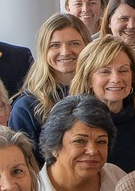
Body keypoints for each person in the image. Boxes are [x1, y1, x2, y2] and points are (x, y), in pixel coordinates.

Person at [71, 36, 135, 172]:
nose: (116, 79)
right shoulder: (72, 124)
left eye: (123, 70)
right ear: (87, 79)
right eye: (105, 71)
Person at [10, 12, 90, 142]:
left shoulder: (101, 93)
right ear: (43, 51)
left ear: (88, 47)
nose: (65, 52)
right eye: (55, 45)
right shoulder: (27, 107)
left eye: (74, 43)